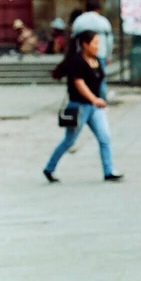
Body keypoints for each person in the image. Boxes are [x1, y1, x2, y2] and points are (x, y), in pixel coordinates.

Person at [44, 30, 123, 183]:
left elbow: (99, 83)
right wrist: (94, 99)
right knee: (69, 141)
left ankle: (108, 171)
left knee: (104, 138)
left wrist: (100, 100)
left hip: (94, 108)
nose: (98, 46)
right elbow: (79, 84)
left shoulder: (96, 60)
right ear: (85, 45)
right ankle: (49, 168)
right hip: (79, 107)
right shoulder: (76, 62)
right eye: (95, 43)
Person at [72, 0, 113, 99]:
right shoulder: (103, 20)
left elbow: (73, 37)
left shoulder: (79, 20)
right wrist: (109, 55)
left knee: (82, 79)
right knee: (100, 79)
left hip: (83, 54)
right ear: (98, 10)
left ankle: (87, 98)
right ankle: (101, 100)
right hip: (101, 53)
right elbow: (110, 40)